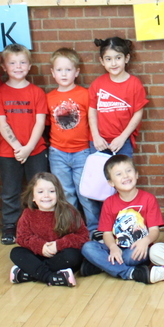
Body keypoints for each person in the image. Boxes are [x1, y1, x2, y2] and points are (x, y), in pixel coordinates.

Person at [0, 43, 49, 245]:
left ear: (30, 65)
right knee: (10, 191)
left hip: (35, 151)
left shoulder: (37, 92)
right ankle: (10, 225)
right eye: (12, 63)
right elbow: (1, 122)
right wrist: (18, 147)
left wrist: (28, 148)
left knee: (40, 190)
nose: (18, 66)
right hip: (9, 152)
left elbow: (40, 122)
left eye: (22, 62)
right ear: (4, 67)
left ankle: (41, 225)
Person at [80, 155, 164, 283]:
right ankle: (129, 272)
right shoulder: (109, 203)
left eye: (128, 171)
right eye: (119, 174)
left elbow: (155, 230)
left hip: (138, 248)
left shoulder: (148, 199)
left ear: (136, 174)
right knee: (87, 248)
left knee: (129, 258)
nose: (125, 176)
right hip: (117, 247)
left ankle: (103, 265)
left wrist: (146, 241)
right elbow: (107, 233)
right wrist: (112, 247)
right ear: (111, 182)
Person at [45, 47, 99, 236]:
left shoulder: (84, 94)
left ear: (76, 72)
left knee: (85, 192)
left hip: (82, 152)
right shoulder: (49, 98)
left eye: (68, 69)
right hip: (58, 153)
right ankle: (72, 229)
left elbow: (93, 121)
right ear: (53, 73)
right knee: (66, 194)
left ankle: (94, 229)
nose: (64, 74)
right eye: (59, 70)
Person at [8, 172, 85, 287]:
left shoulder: (69, 212)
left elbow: (82, 236)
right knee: (16, 253)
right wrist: (41, 246)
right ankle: (52, 277)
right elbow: (22, 237)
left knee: (73, 256)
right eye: (40, 192)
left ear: (58, 194)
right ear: (33, 196)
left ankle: (30, 273)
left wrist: (58, 245)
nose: (46, 196)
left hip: (59, 255)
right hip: (37, 254)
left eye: (51, 191)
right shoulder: (28, 213)